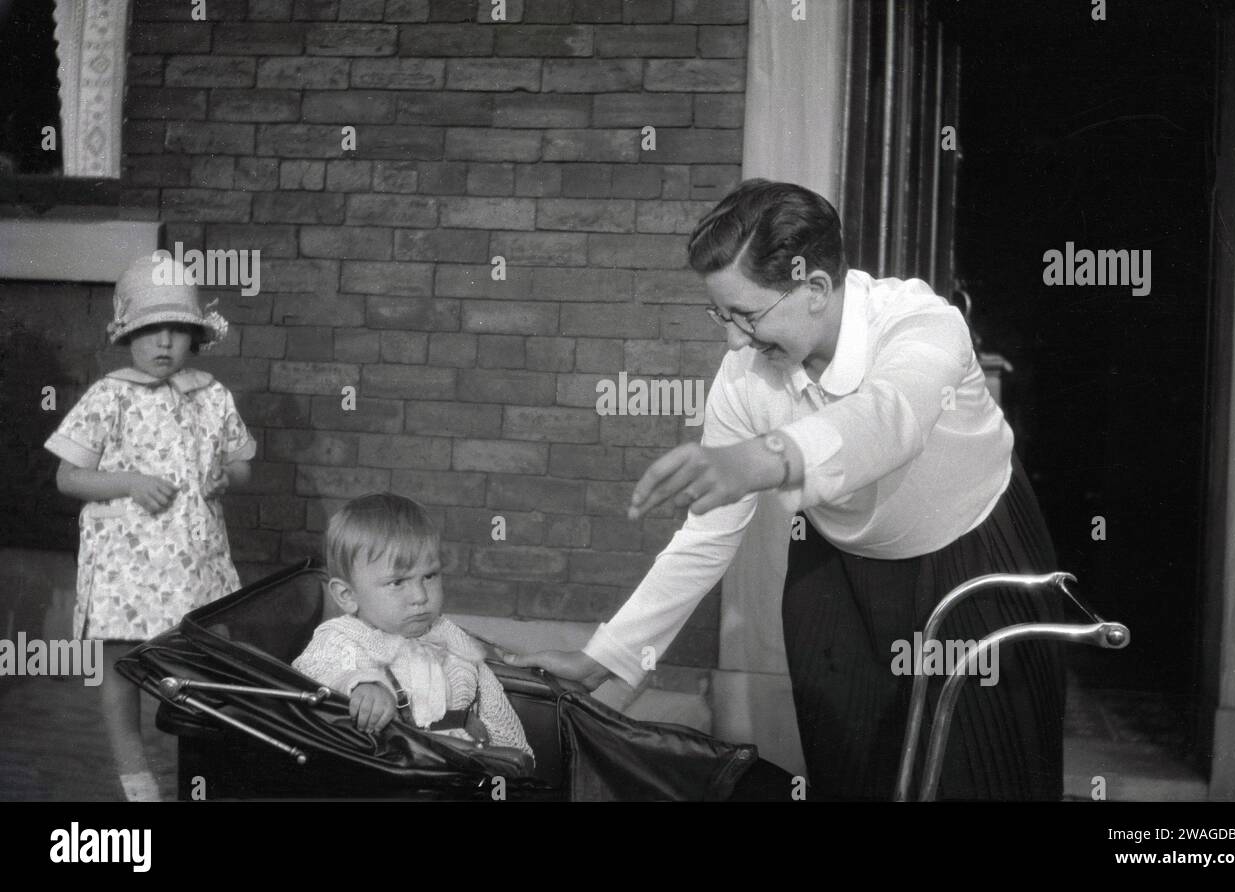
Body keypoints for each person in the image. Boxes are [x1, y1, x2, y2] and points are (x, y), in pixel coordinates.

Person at [510, 179, 1065, 800]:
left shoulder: (922, 324)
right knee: (852, 774)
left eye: (747, 314)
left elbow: (891, 419)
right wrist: (604, 657)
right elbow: (708, 533)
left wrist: (764, 457)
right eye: (721, 314)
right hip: (839, 574)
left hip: (970, 561)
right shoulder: (744, 375)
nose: (734, 339)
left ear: (816, 289)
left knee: (979, 779)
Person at [45, 252, 255, 802]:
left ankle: (202, 768)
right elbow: (70, 477)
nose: (163, 343)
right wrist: (129, 482)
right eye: (149, 331)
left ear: (195, 338)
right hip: (127, 568)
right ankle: (136, 779)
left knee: (208, 655)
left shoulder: (211, 396)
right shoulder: (109, 396)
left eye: (176, 332)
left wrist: (223, 476)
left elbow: (242, 464)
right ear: (126, 336)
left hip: (195, 564)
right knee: (122, 667)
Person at [292, 493, 533, 763]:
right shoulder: (342, 638)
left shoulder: (449, 637)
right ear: (348, 596)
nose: (420, 596)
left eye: (429, 576)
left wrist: (512, 758)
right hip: (394, 769)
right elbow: (312, 671)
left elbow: (494, 706)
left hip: (464, 764)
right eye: (397, 582)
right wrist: (360, 685)